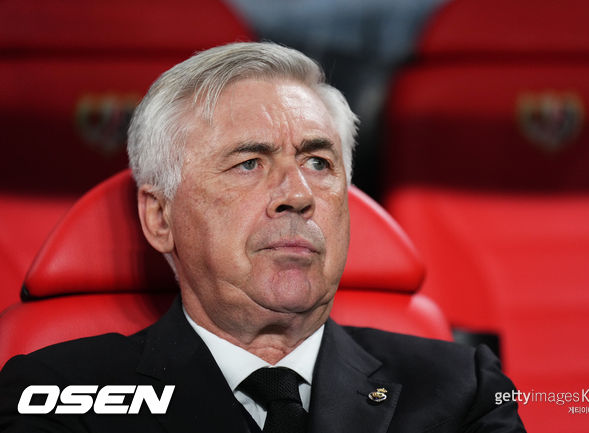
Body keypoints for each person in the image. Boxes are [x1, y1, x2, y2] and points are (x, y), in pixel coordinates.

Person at [0, 42, 526, 432]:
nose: (297, 195)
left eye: (319, 162)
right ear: (160, 217)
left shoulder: (464, 387)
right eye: (249, 163)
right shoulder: (58, 395)